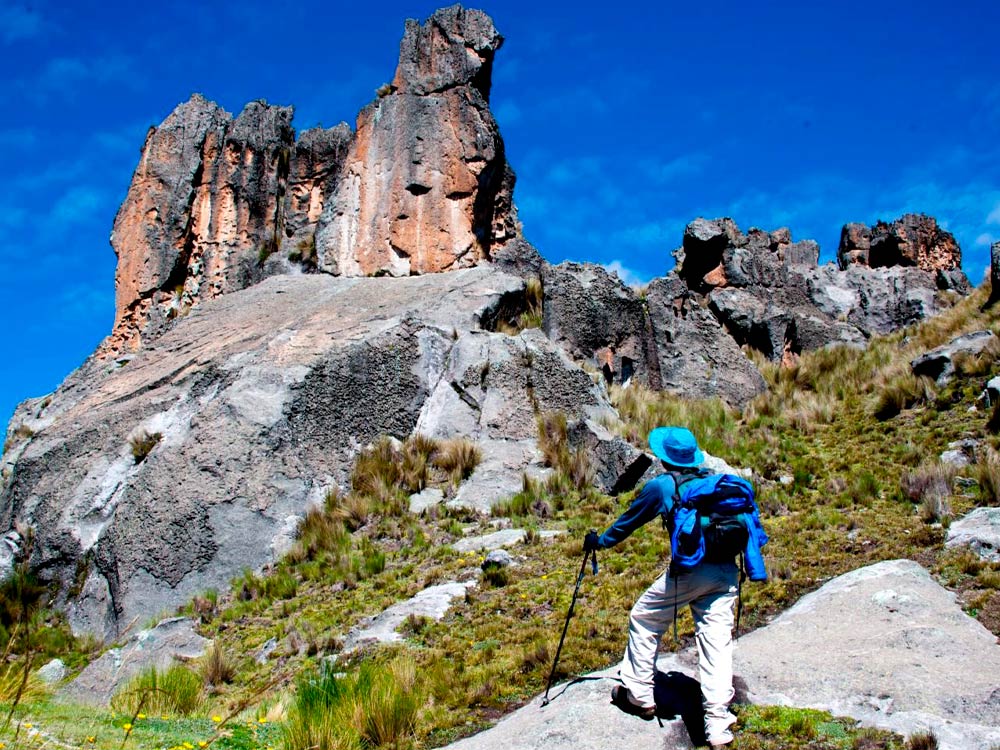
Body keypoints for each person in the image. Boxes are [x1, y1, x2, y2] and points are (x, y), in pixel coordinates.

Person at [583, 426, 740, 749]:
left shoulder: (663, 486)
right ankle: (718, 728)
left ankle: (639, 696)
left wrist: (600, 542)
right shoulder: (715, 483)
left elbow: (628, 522)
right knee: (716, 645)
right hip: (726, 571)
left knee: (644, 618)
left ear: (665, 457)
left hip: (688, 570)